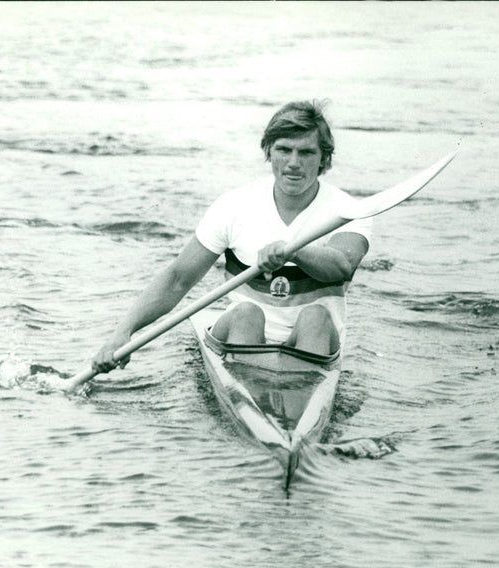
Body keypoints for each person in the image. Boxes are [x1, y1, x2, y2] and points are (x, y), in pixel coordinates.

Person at [92, 100, 371, 374]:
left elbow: (342, 264)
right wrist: (122, 333)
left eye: (306, 153)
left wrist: (294, 251)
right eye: (284, 150)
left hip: (315, 342)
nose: (294, 163)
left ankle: (293, 393)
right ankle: (254, 386)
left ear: (324, 157)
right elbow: (178, 279)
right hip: (243, 334)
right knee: (246, 313)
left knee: (316, 317)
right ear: (268, 152)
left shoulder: (347, 209)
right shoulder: (234, 205)